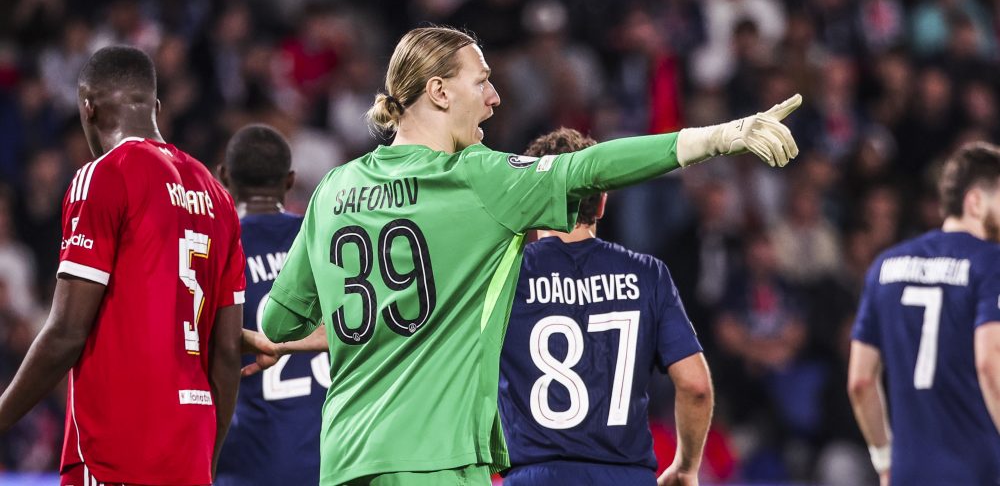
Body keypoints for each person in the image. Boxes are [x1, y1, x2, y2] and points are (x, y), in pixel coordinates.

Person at [253, 26, 800, 486]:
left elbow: (277, 322)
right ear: (440, 91)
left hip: (345, 458)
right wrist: (721, 137)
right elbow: (591, 168)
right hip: (437, 460)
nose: (494, 98)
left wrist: (277, 342)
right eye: (483, 81)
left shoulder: (333, 188)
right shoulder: (476, 178)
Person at [0, 46, 245, 485]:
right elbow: (226, 353)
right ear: (156, 107)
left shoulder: (104, 175)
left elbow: (66, 332)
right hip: (190, 450)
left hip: (116, 448)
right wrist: (207, 456)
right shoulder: (218, 197)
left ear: (88, 109)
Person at [497, 128, 712, 486]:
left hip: (534, 477)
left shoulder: (503, 278)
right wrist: (686, 466)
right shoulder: (648, 274)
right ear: (601, 202)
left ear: (532, 202)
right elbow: (695, 386)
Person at [848, 142, 1000, 486]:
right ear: (975, 201)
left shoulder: (885, 266)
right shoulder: (992, 264)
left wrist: (884, 458)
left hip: (907, 473)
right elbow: (991, 362)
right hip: (978, 470)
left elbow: (860, 381)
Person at [215, 124, 328, 485]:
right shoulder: (325, 241)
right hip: (332, 460)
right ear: (290, 180)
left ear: (224, 177)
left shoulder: (215, 248)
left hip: (247, 463)